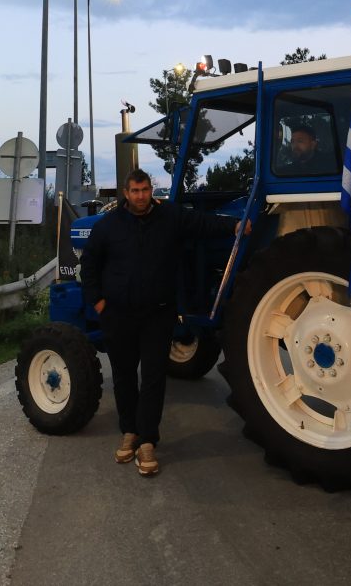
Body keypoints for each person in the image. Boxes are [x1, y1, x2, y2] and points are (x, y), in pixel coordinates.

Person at [79, 168, 248, 477]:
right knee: (124, 375)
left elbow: (202, 223)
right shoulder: (109, 225)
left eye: (145, 190)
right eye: (135, 191)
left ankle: (147, 442)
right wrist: (99, 302)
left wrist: (235, 225)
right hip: (118, 314)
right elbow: (89, 263)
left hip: (157, 314)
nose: (141, 196)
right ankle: (129, 432)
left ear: (150, 190)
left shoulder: (170, 216)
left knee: (154, 377)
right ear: (126, 194)